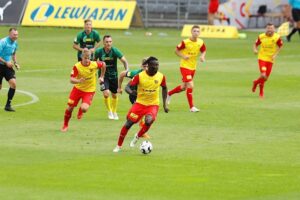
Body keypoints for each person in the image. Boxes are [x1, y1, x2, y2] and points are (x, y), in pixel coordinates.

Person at [113, 56, 169, 153]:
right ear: (148, 66)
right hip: (140, 103)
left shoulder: (161, 76)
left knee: (148, 121)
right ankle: (118, 146)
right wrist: (131, 92)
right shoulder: (140, 76)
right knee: (128, 123)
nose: (156, 67)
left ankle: (137, 136)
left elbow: (164, 88)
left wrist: (164, 105)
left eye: (157, 65)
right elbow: (127, 87)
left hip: (153, 104)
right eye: (154, 65)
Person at [61, 49, 106, 132]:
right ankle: (65, 125)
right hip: (78, 89)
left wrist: (102, 76)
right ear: (82, 57)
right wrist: (78, 81)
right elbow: (71, 79)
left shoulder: (94, 64)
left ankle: (81, 110)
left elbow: (103, 64)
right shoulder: (77, 66)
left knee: (84, 108)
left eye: (88, 58)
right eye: (85, 58)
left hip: (89, 90)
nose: (87, 60)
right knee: (70, 108)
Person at [167, 25, 206, 112]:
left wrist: (202, 56)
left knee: (184, 87)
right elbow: (176, 51)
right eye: (194, 31)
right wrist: (184, 56)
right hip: (184, 66)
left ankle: (169, 93)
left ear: (199, 33)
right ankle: (192, 107)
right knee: (191, 85)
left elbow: (203, 50)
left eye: (197, 31)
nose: (196, 33)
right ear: (191, 32)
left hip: (193, 67)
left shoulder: (200, 42)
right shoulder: (185, 42)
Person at [94, 35, 129, 120]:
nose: (108, 43)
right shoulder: (98, 51)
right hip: (103, 76)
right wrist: (93, 73)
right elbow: (94, 62)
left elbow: (124, 61)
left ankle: (114, 111)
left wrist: (127, 70)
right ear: (103, 43)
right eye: (107, 42)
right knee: (106, 94)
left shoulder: (115, 51)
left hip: (114, 76)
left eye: (110, 42)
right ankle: (109, 111)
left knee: (114, 95)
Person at [252, 23, 283, 98]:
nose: (270, 30)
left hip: (270, 59)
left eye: (271, 28)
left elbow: (281, 46)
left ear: (274, 29)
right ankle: (261, 92)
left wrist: (275, 54)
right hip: (262, 57)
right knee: (263, 75)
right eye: (268, 28)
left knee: (265, 78)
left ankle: (256, 82)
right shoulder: (261, 36)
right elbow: (255, 44)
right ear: (266, 29)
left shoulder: (277, 37)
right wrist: (255, 50)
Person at [0, 28, 19, 112]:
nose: (16, 36)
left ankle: (8, 105)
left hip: (8, 66)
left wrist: (15, 63)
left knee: (13, 84)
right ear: (10, 34)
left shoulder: (15, 43)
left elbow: (14, 54)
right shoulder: (3, 42)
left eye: (17, 35)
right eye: (14, 35)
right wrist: (6, 62)